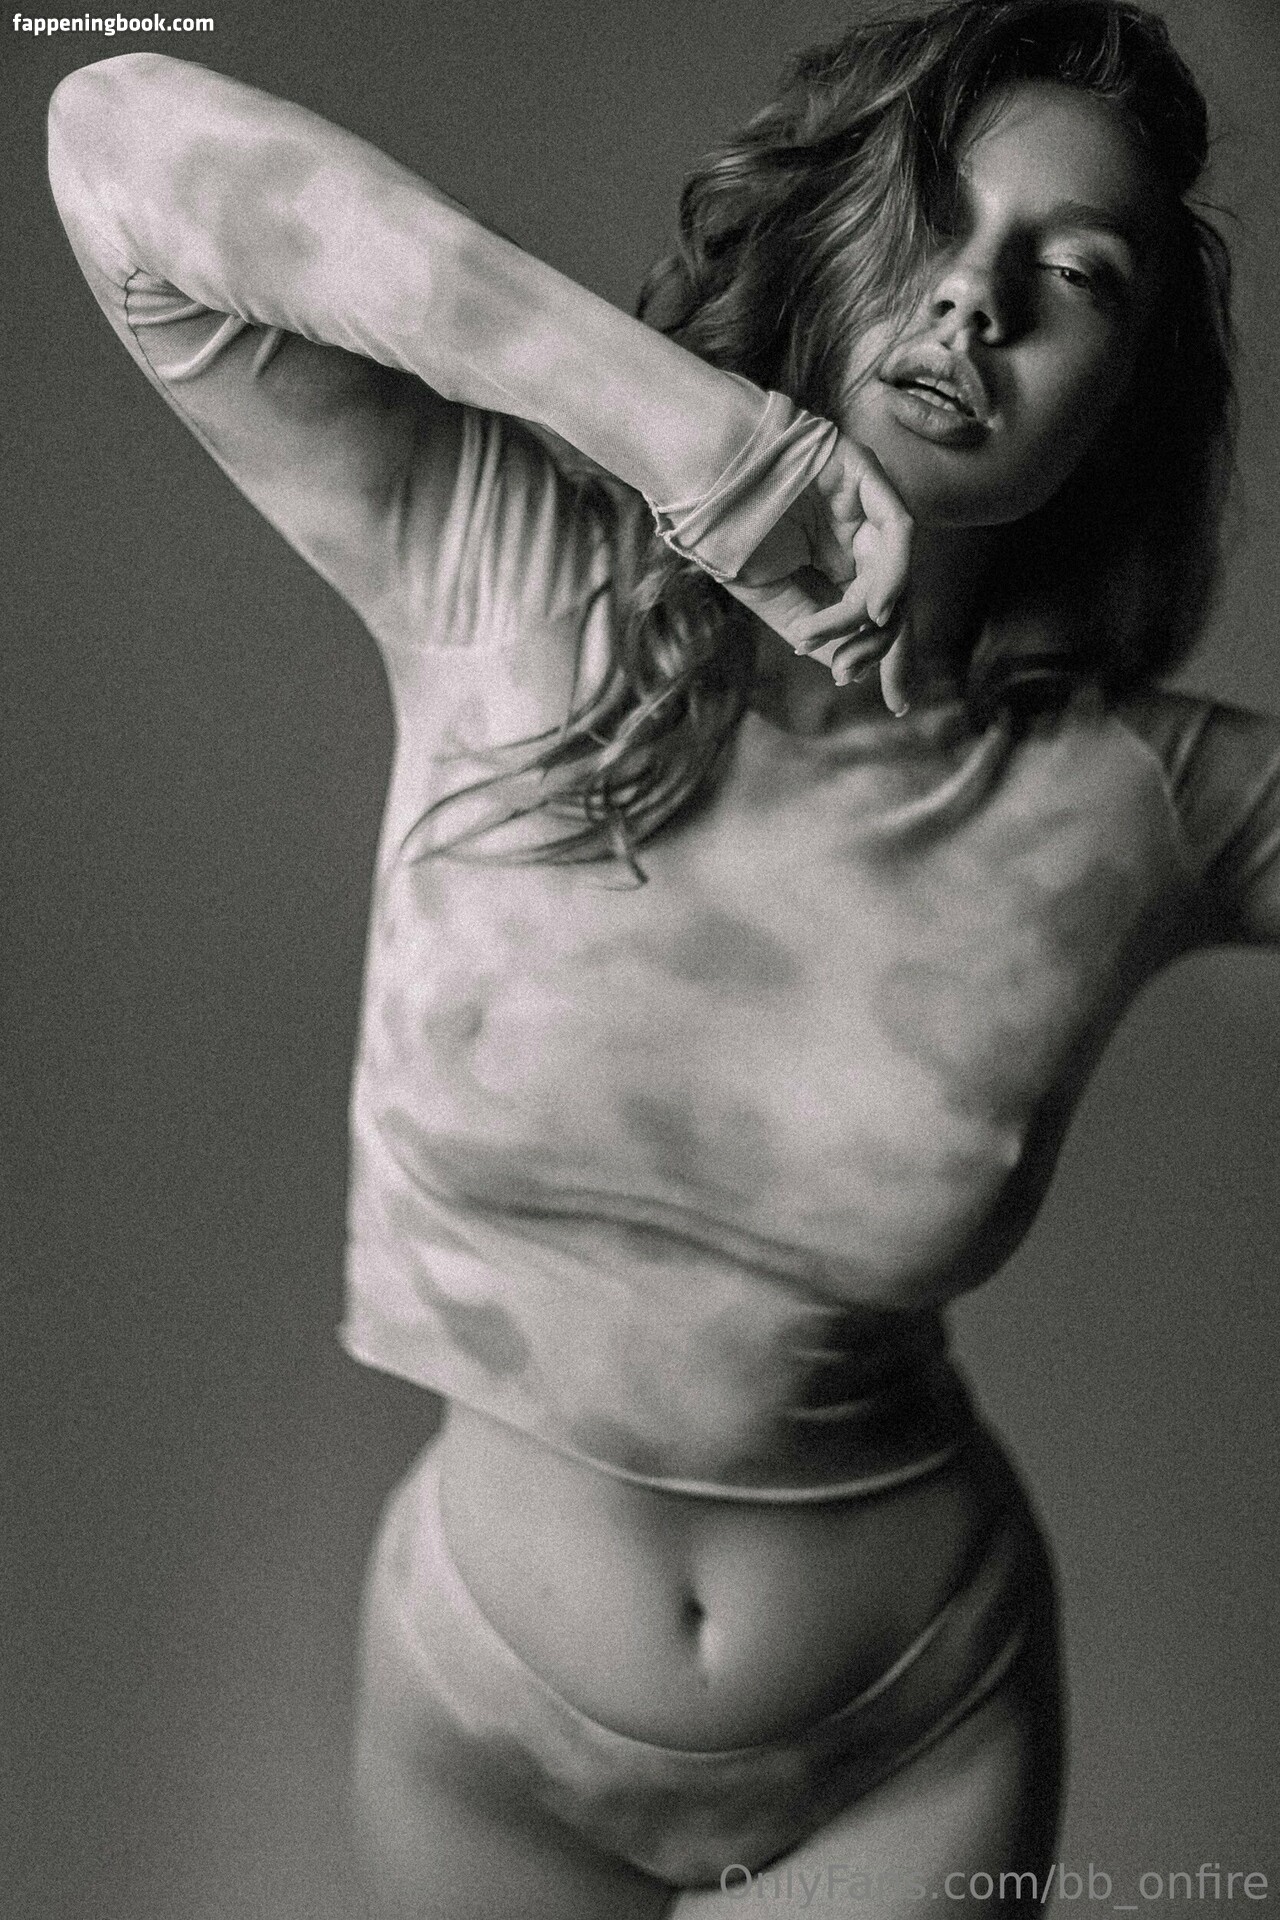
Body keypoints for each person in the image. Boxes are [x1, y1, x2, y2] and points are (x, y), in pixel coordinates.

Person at [45, 3, 1278, 1914]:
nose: (976, 300)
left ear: (1131, 391)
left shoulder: (1144, 798)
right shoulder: (500, 562)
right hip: (478, 1723)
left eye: (1078, 276)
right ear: (829, 235)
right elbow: (112, 130)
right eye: (934, 220)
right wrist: (698, 442)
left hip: (919, 1733)